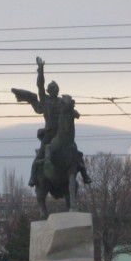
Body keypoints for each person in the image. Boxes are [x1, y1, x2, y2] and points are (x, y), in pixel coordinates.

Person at [12, 57, 91, 187]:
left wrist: (74, 113)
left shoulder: (62, 102)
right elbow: (40, 86)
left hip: (62, 134)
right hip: (49, 134)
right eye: (52, 88)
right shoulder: (45, 100)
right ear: (49, 91)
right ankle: (32, 177)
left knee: (76, 153)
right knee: (40, 155)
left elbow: (73, 113)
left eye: (55, 88)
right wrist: (40, 70)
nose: (54, 90)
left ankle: (84, 174)